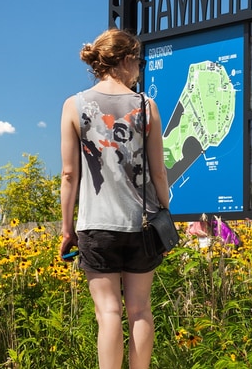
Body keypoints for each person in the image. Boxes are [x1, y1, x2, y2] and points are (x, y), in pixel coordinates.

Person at [59, 28, 170, 369]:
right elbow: (159, 171)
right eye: (138, 60)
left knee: (108, 313)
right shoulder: (145, 105)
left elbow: (69, 175)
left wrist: (67, 228)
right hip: (141, 223)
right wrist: (165, 206)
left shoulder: (74, 105)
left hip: (96, 225)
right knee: (140, 310)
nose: (139, 67)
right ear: (125, 60)